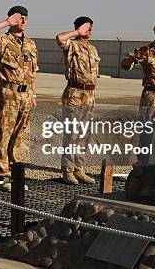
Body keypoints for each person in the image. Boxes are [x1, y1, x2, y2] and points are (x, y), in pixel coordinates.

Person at [0, 6, 37, 191]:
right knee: (4, 134)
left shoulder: (30, 44)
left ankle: (15, 174)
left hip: (26, 94)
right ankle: (3, 175)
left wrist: (33, 94)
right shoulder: (2, 40)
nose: (22, 22)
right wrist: (6, 22)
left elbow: (33, 72)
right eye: (18, 18)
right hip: (8, 93)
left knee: (18, 135)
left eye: (24, 19)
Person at [56, 16, 98, 185]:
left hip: (90, 95)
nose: (88, 30)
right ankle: (67, 170)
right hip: (74, 93)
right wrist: (76, 32)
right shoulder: (72, 45)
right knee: (72, 134)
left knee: (84, 134)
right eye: (84, 27)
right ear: (77, 28)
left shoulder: (93, 49)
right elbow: (60, 38)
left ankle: (79, 169)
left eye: (90, 27)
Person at [121, 20, 155, 122]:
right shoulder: (146, 50)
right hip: (150, 93)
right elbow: (125, 65)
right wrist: (133, 58)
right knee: (146, 121)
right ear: (154, 33)